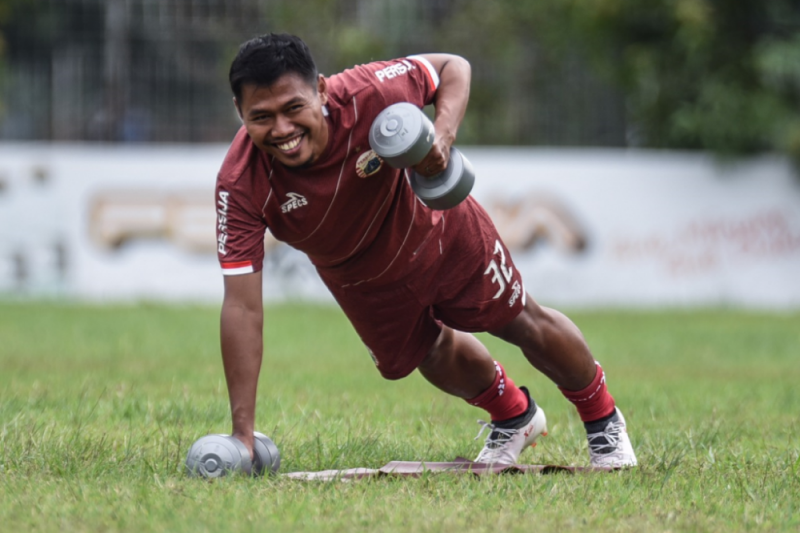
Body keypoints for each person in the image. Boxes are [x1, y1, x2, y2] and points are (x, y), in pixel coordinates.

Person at [215, 33, 637, 467]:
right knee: (427, 355)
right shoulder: (239, 184)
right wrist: (242, 436)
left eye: (293, 108)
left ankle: (603, 420)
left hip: (438, 230)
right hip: (359, 279)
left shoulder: (370, 90)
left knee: (518, 320)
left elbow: (453, 67)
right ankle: (514, 417)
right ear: (239, 112)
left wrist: (442, 136)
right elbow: (243, 310)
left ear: (320, 90)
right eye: (261, 117)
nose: (282, 130)